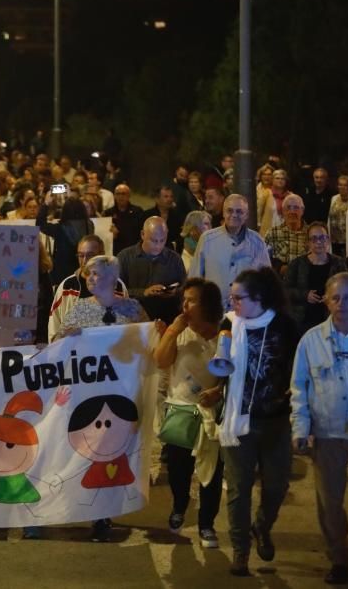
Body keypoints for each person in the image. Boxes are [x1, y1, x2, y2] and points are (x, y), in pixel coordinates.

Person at [53, 254, 148, 543]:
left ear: (110, 278)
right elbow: (59, 347)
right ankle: (94, 512)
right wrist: (67, 336)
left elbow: (147, 341)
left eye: (95, 274)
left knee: (114, 451)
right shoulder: (81, 309)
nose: (89, 278)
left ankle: (105, 512)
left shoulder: (131, 309)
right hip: (90, 393)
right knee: (92, 451)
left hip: (121, 392)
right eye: (88, 274)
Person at [217, 267, 299, 576]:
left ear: (260, 298)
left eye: (239, 297)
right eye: (232, 296)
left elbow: (298, 365)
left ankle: (262, 526)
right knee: (239, 488)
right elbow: (221, 367)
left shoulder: (284, 326)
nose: (233, 302)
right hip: (238, 419)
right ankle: (240, 550)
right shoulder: (230, 322)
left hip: (276, 420)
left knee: (276, 487)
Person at [289, 272, 348, 585]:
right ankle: (339, 558)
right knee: (330, 503)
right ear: (327, 302)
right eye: (335, 297)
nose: (341, 303)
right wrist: (300, 429)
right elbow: (299, 389)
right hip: (328, 432)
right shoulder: (310, 341)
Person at [152, 278, 225, 549]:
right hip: (180, 409)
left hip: (211, 415)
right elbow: (160, 361)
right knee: (179, 470)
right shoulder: (179, 330)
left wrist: (218, 390)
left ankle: (207, 524)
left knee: (211, 472)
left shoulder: (224, 334)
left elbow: (233, 372)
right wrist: (171, 332)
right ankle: (179, 506)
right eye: (184, 299)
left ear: (207, 304)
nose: (185, 304)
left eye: (191, 300)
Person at [188, 194, 271, 312]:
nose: (234, 215)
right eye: (230, 210)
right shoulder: (207, 239)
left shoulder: (257, 242)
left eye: (239, 211)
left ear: (246, 215)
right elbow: (195, 278)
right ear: (223, 212)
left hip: (246, 312)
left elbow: (267, 282)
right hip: (213, 311)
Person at [48, 235, 128, 342]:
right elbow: (54, 324)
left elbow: (128, 325)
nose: (85, 261)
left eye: (90, 255)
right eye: (81, 255)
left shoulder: (117, 285)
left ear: (102, 254)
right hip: (75, 351)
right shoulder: (67, 286)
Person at [117, 216, 187, 323]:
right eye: (154, 240)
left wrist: (175, 292)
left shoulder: (174, 259)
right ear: (142, 234)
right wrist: (143, 292)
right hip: (133, 322)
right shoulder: (125, 257)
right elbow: (116, 292)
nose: (158, 245)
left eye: (162, 240)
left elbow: (185, 289)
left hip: (167, 320)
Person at [284, 222, 347, 334]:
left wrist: (331, 297)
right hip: (302, 321)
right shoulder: (296, 264)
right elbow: (285, 291)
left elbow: (346, 288)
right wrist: (305, 295)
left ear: (328, 240)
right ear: (308, 242)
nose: (318, 242)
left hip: (331, 319)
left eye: (322, 238)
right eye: (314, 238)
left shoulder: (338, 263)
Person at [37, 196, 95, 285]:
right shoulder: (90, 225)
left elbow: (40, 224)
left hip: (62, 274)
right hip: (84, 271)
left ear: (65, 211)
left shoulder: (59, 228)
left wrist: (46, 204)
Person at [264, 193, 308, 274]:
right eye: (288, 208)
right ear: (283, 211)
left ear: (302, 211)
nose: (292, 211)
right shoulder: (272, 233)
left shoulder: (310, 234)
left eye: (296, 208)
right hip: (279, 282)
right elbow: (263, 261)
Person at [104, 184, 143, 255]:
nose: (120, 196)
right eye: (118, 194)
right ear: (114, 196)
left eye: (123, 194)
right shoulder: (108, 213)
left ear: (129, 196)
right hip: (115, 251)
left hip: (133, 250)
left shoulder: (137, 211)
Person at [142, 186, 184, 253]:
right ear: (157, 199)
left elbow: (180, 237)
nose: (170, 199)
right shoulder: (147, 215)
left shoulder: (178, 216)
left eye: (171, 196)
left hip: (171, 254)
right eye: (166, 197)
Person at [328, 175, 348, 257]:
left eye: (345, 185)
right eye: (340, 185)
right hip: (334, 240)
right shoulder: (334, 198)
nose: (342, 187)